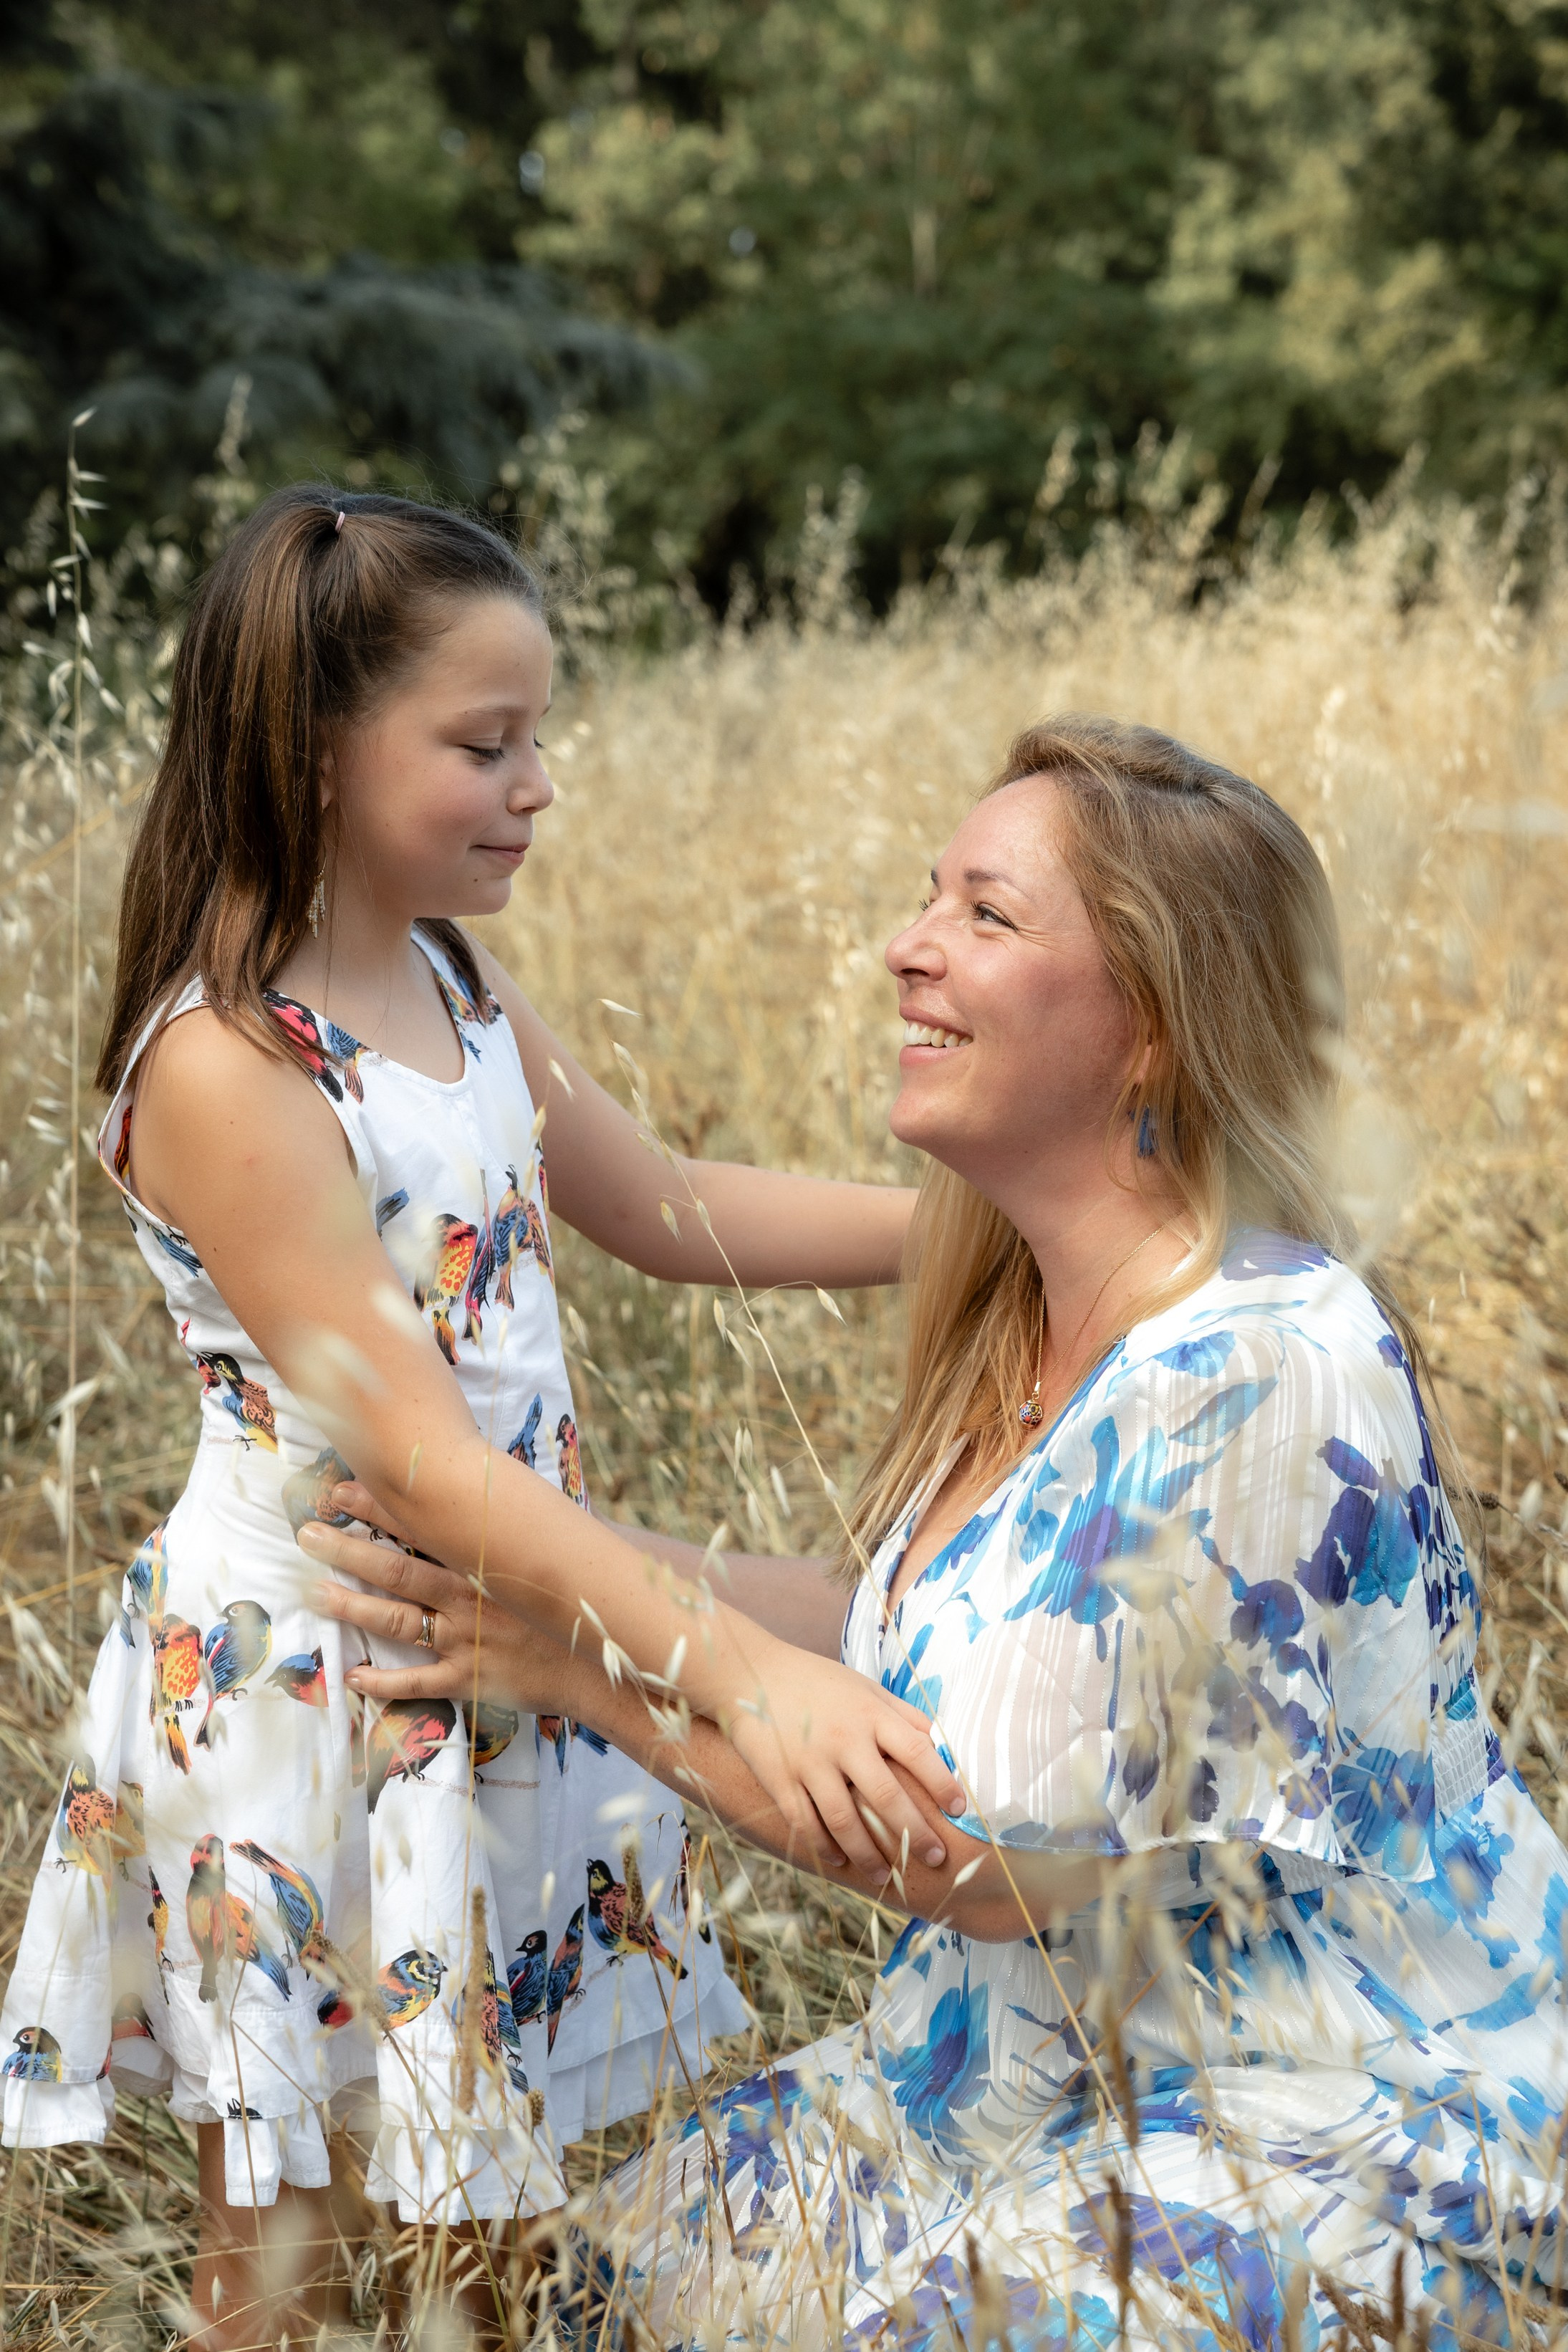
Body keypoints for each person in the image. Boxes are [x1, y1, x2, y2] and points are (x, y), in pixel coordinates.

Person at [305, 716, 1568, 2349]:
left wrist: (584, 1665)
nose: (908, 947)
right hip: (1008, 2072)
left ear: (1152, 1028)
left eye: (986, 915)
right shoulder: (1036, 1305)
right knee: (566, 2308)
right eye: (927, 898)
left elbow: (979, 1868)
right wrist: (543, 1561)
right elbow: (906, 1624)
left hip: (1325, 2109)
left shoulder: (1258, 1365)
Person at [0, 488, 964, 2352]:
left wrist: (986, 1234)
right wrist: (739, 1670)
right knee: (281, 2261)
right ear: (314, 747)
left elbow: (668, 1204)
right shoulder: (228, 1062)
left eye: (536, 737)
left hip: (501, 1640)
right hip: (321, 1682)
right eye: (484, 743)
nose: (536, 785)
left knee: (484, 2235)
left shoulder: (449, 974)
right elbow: (426, 1460)